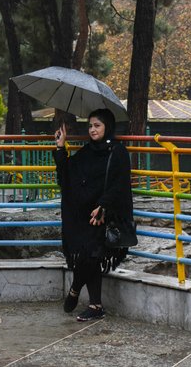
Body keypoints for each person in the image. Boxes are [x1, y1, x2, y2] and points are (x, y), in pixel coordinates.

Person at [54, 108, 133, 322]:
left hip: (107, 214)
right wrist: (61, 147)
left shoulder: (117, 152)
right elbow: (67, 175)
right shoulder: (88, 151)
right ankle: (95, 305)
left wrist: (103, 206)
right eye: (90, 125)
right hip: (84, 215)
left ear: (107, 126)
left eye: (97, 125)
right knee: (88, 254)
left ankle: (76, 289)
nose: (92, 130)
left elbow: (120, 185)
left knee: (92, 253)